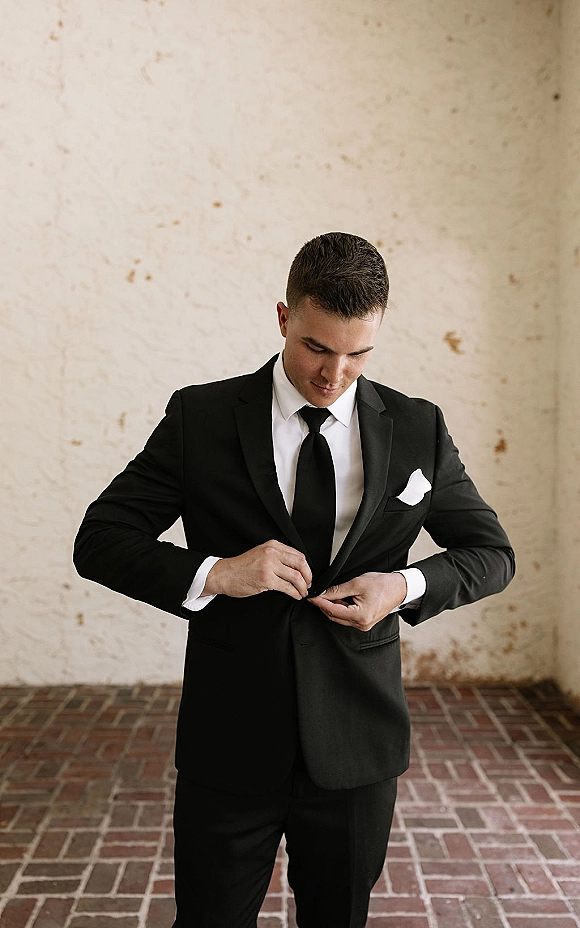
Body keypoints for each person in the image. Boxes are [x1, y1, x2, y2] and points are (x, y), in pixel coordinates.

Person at [74, 232, 515, 928]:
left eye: (358, 354)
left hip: (357, 749)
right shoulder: (202, 418)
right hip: (232, 742)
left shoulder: (417, 428)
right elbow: (99, 540)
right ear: (284, 318)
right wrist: (218, 571)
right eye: (316, 347)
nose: (334, 373)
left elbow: (491, 554)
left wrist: (399, 587)